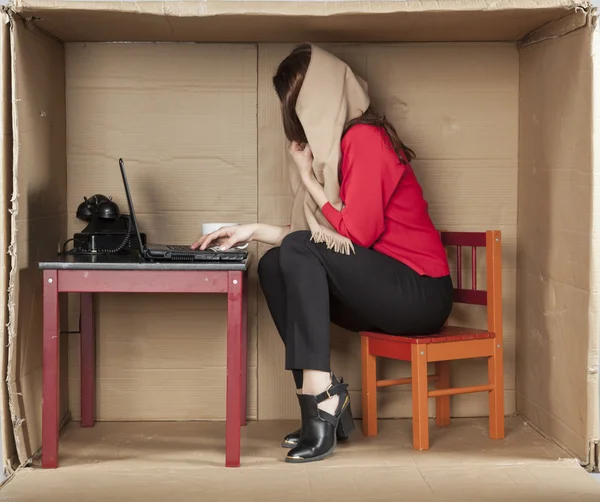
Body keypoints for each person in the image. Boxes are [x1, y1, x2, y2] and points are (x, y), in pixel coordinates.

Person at [191, 44, 453, 464]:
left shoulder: (365, 139)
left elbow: (356, 235)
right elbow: (315, 247)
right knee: (275, 264)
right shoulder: (337, 153)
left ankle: (323, 397)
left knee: (294, 249)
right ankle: (320, 398)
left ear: (326, 97)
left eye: (303, 104)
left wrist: (305, 177)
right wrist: (251, 231)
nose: (299, 117)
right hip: (379, 291)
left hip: (419, 294)